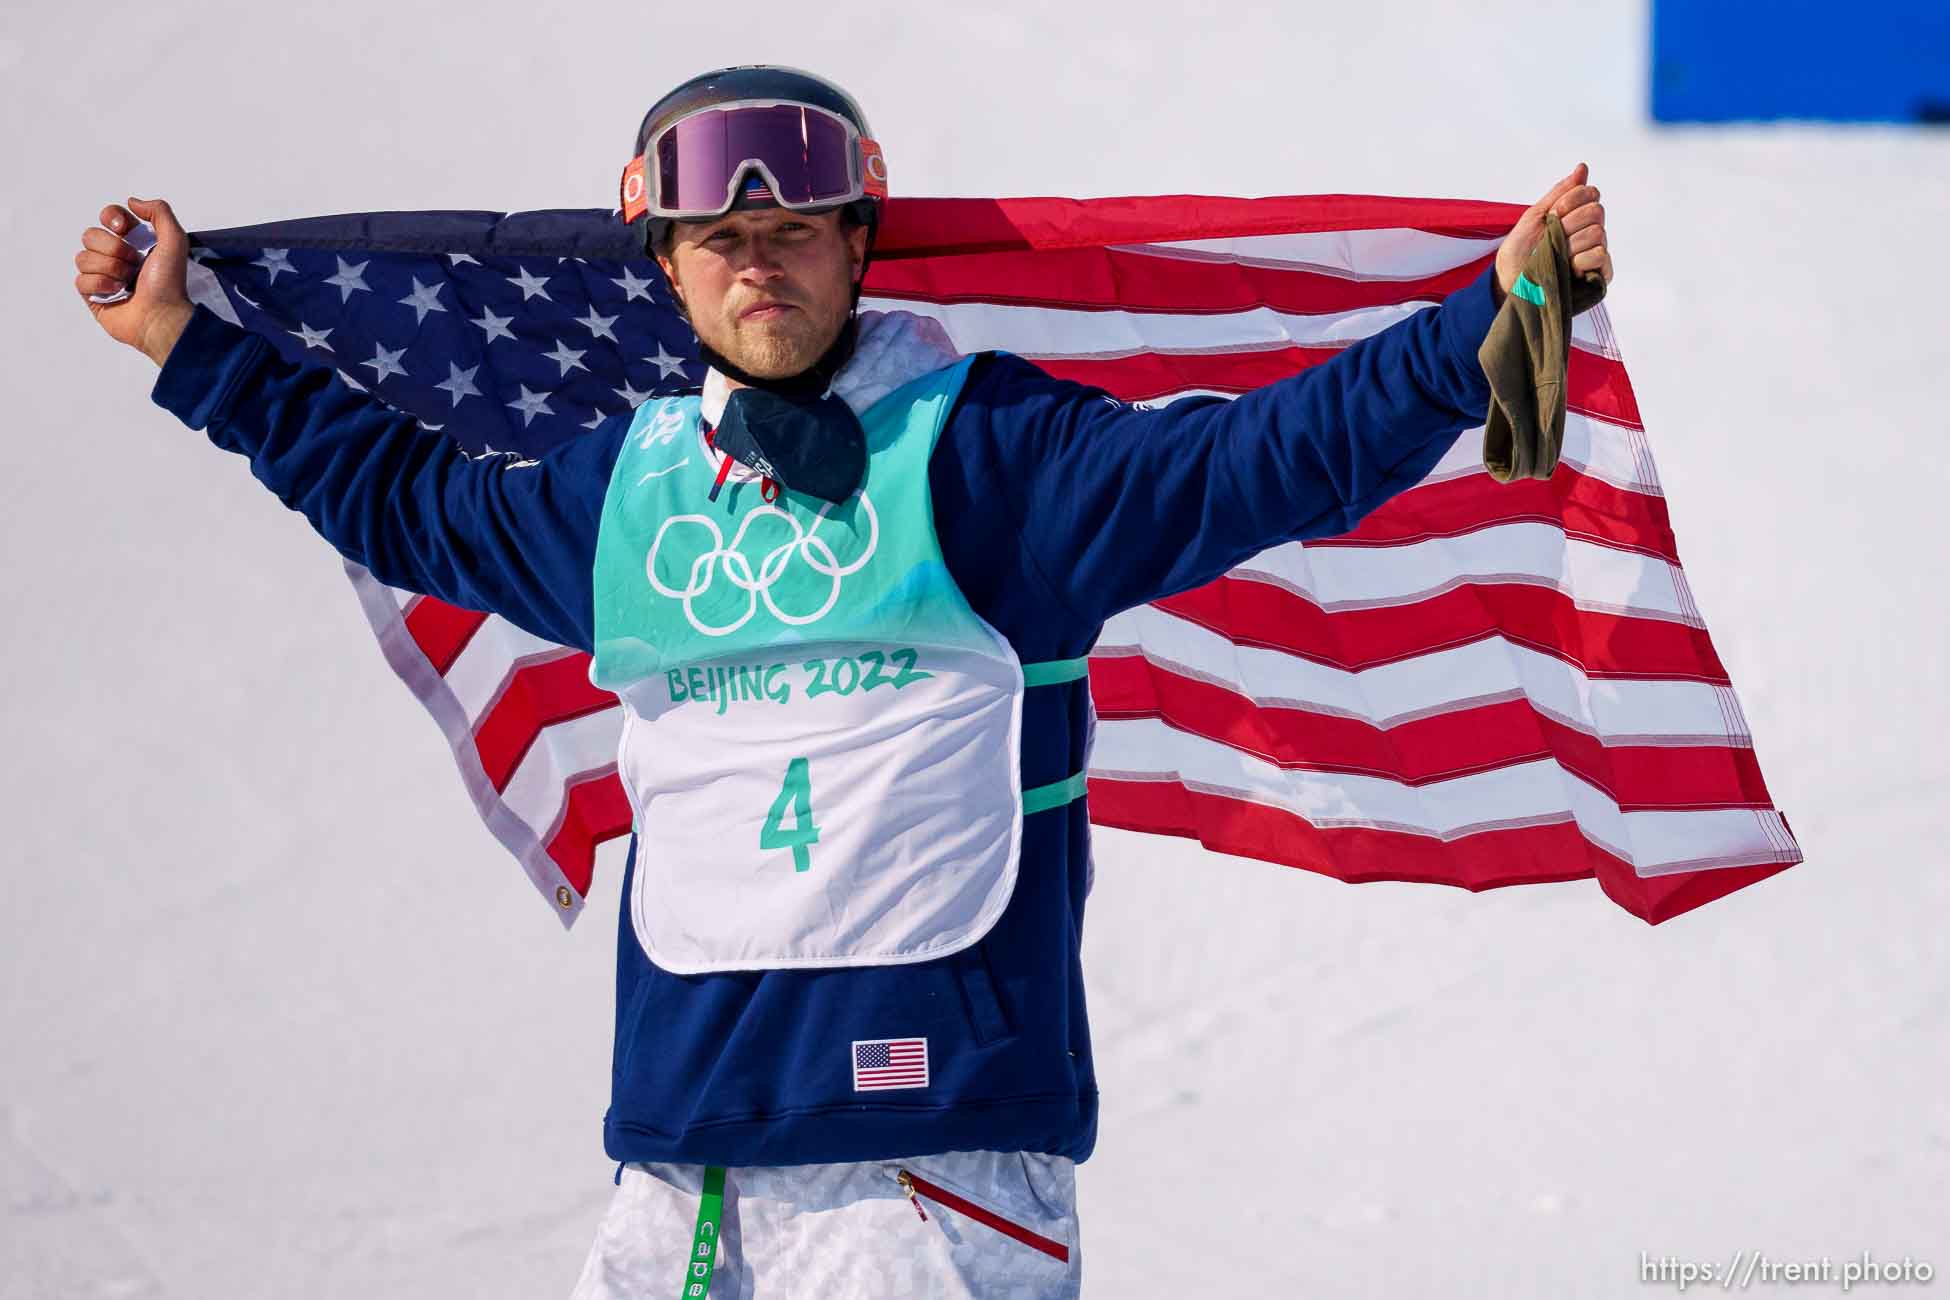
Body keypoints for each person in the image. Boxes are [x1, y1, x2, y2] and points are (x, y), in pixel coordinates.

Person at [73, 65, 1611, 1300]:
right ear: (666, 269)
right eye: (720, 240)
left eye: (796, 229)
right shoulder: (628, 494)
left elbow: (1257, 461)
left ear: (857, 246)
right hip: (682, 1180)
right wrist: (188, 349)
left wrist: (1478, 323)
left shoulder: (990, 458)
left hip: (931, 1182)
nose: (759, 261)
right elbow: (406, 501)